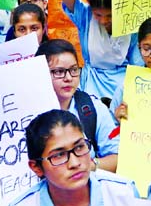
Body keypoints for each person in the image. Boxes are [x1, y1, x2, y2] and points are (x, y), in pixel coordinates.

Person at [8, 109, 138, 206]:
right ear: (36, 167)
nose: (75, 163)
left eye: (80, 147)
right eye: (59, 155)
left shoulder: (124, 193)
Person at [59, 0, 137, 99]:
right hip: (92, 82)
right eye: (98, 15)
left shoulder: (130, 20)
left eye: (109, 16)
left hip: (124, 81)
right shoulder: (85, 17)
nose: (103, 20)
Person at [34, 40, 120, 172]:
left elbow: (116, 157)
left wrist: (88, 165)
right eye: (58, 72)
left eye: (74, 70)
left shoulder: (92, 108)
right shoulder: (28, 112)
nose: (68, 78)